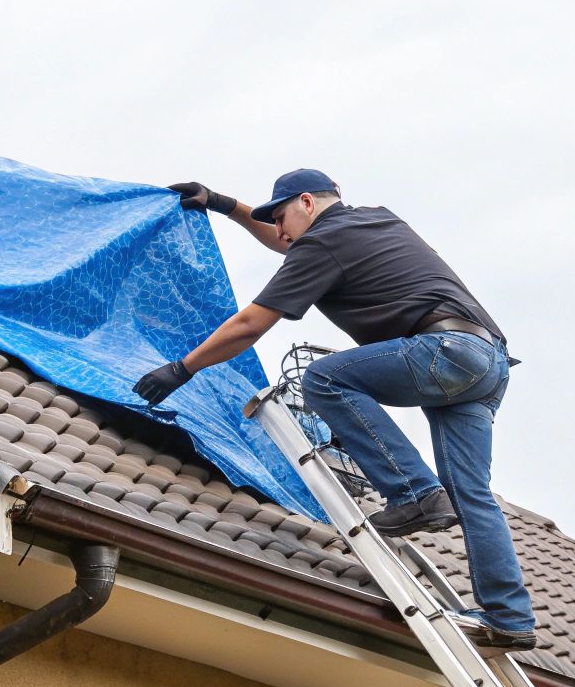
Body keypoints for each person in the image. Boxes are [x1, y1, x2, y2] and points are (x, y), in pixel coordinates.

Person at [134, 170, 535, 650]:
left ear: (307, 202)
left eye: (281, 218)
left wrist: (183, 368)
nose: (280, 234)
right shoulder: (373, 222)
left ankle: (414, 494)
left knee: (325, 379)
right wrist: (224, 204)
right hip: (484, 362)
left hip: (444, 351)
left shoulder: (322, 244)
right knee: (471, 494)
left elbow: (250, 323)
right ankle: (510, 617)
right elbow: (290, 245)